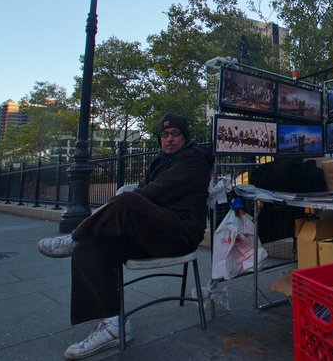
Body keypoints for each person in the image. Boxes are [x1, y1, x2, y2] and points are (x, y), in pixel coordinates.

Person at [37, 113, 213, 359]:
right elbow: (146, 192)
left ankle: (75, 235)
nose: (169, 139)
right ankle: (113, 325)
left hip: (179, 233)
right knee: (90, 247)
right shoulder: (160, 162)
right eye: (164, 135)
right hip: (152, 233)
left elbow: (155, 192)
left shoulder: (194, 159)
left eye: (175, 133)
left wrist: (128, 200)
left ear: (185, 137)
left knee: (128, 200)